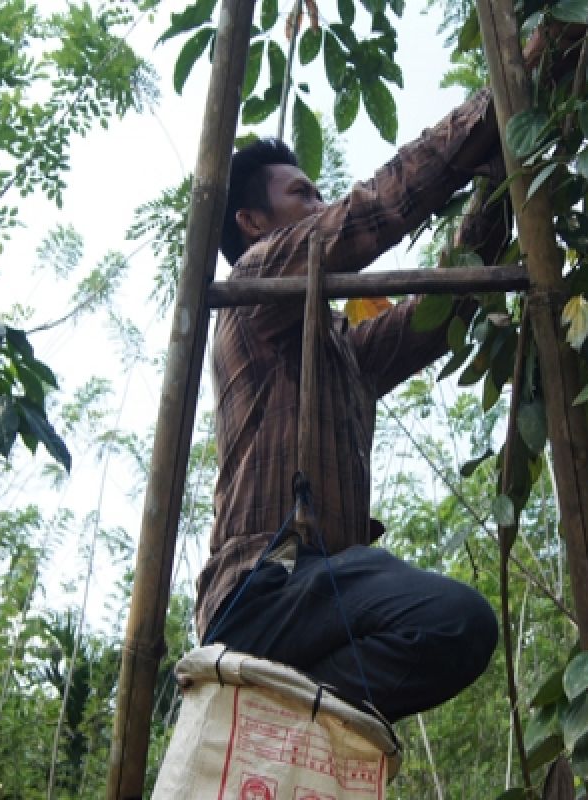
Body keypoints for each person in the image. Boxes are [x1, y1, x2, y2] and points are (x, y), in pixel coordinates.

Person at [194, 87, 508, 723]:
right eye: (301, 195)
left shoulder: (342, 352)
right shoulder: (253, 283)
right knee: (455, 620)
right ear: (252, 223)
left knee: (458, 630)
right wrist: (492, 110)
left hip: (315, 597)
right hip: (262, 588)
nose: (320, 204)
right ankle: (289, 700)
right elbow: (371, 213)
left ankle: (281, 704)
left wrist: (497, 183)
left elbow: (443, 308)